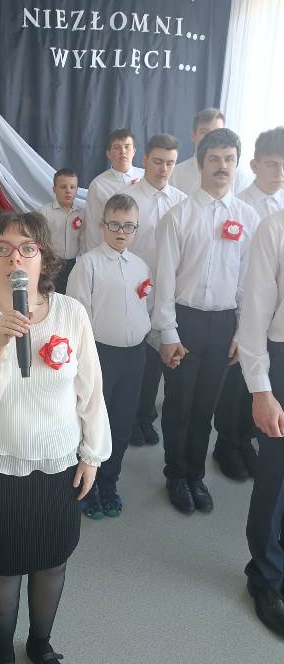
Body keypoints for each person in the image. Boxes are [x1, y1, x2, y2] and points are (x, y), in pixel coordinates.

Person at [0, 211, 111, 664]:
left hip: (57, 460)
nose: (15, 258)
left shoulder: (70, 313)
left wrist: (92, 454)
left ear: (44, 259)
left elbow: (91, 390)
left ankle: (40, 646)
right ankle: (3, 655)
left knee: (51, 561)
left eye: (28, 248)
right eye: (3, 249)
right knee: (3, 566)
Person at [152, 128, 259, 514]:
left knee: (206, 408)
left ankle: (195, 475)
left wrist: (242, 332)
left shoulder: (247, 217)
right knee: (179, 404)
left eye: (229, 159)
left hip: (224, 325)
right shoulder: (178, 216)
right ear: (200, 164)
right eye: (214, 158)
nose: (222, 166)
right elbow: (164, 280)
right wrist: (167, 332)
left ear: (237, 164)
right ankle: (175, 474)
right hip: (185, 322)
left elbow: (248, 282)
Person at [67, 194, 151, 519]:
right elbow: (77, 319)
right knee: (92, 421)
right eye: (114, 224)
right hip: (100, 355)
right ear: (102, 225)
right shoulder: (87, 265)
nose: (121, 232)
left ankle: (108, 483)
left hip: (135, 356)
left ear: (136, 229)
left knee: (122, 422)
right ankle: (85, 486)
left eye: (129, 226)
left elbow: (146, 308)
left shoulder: (140, 265)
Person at [213, 127, 284, 480]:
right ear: (254, 165)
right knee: (236, 388)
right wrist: (241, 325)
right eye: (272, 165)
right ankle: (226, 445)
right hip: (243, 311)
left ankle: (245, 442)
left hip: (274, 319)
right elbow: (230, 270)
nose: (279, 173)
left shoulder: (281, 208)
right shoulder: (238, 206)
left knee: (263, 385)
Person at [237, 209, 284, 637]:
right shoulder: (275, 227)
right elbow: (254, 313)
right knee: (275, 475)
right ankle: (266, 576)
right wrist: (261, 390)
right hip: (282, 357)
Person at [125, 134, 186, 448]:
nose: (163, 169)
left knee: (159, 359)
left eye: (170, 163)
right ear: (145, 159)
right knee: (136, 359)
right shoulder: (128, 199)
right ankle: (131, 418)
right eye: (158, 161)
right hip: (134, 292)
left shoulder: (182, 201)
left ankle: (146, 415)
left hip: (169, 293)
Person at [82, 128, 144, 251]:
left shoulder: (146, 178)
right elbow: (93, 226)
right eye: (117, 147)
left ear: (134, 151)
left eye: (127, 147)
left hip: (143, 250)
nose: (123, 151)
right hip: (111, 251)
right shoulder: (98, 184)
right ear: (109, 154)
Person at [170, 107, 249, 196]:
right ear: (193, 135)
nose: (211, 137)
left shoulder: (238, 177)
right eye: (204, 132)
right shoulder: (175, 174)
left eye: (217, 132)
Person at [38, 168, 84, 293]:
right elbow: (40, 241)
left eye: (72, 187)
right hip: (51, 263)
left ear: (77, 190)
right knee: (51, 294)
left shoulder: (82, 213)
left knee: (71, 294)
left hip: (74, 264)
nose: (68, 191)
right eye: (63, 187)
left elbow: (84, 239)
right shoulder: (44, 212)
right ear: (54, 189)